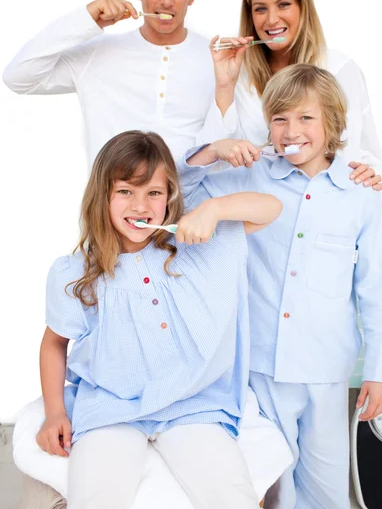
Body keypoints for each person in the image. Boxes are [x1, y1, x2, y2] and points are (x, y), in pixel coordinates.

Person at [177, 64, 382, 509]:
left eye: (305, 118)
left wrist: (380, 371)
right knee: (273, 486)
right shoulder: (254, 176)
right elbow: (183, 191)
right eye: (280, 119)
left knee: (326, 490)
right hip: (261, 368)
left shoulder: (360, 198)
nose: (291, 130)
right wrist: (213, 151)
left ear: (333, 124)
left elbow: (374, 293)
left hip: (326, 370)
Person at [35, 129, 282, 509]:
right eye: (125, 192)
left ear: (170, 196)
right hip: (111, 408)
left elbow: (270, 208)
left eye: (153, 192)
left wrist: (214, 209)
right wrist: (54, 413)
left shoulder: (194, 246)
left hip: (192, 405)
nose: (140, 205)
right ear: (102, 196)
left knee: (232, 497)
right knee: (95, 498)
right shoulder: (74, 272)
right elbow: (55, 343)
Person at [2, 0, 215, 166]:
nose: (167, 1)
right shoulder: (98, 53)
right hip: (109, 198)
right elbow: (18, 77)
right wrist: (87, 19)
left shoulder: (217, 57)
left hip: (193, 200)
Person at [199, 0, 382, 199]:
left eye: (284, 4)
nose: (271, 20)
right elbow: (211, 165)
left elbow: (358, 153)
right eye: (260, 9)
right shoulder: (237, 73)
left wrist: (373, 176)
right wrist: (225, 86)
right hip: (255, 219)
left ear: (303, 7)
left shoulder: (338, 69)